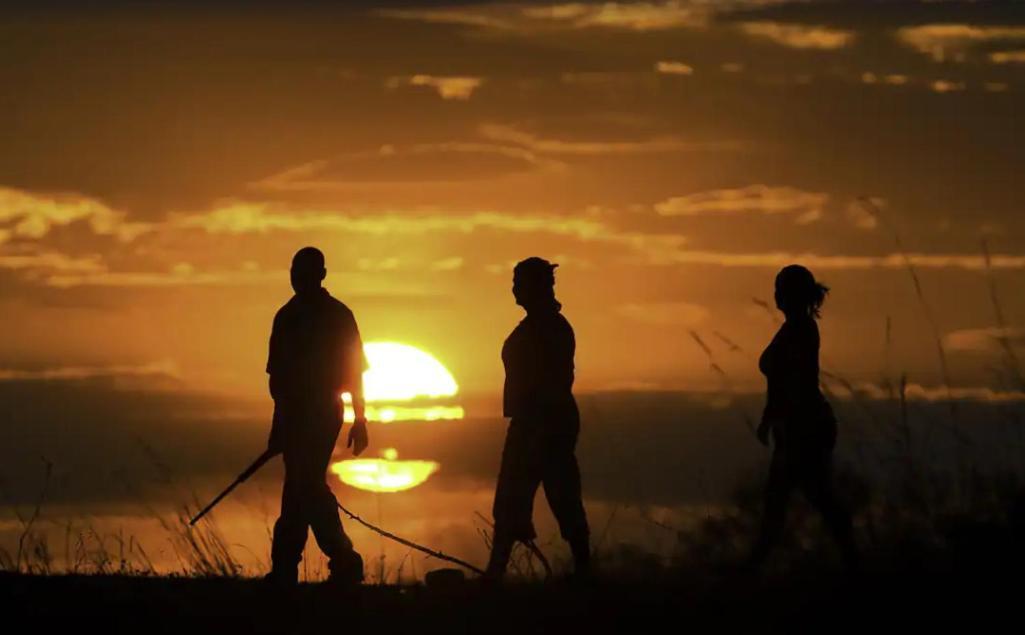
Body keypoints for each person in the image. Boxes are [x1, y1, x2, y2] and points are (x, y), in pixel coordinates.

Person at [264, 246, 370, 585]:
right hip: (294, 414)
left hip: (324, 412)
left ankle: (334, 559)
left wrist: (360, 419)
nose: (298, 278)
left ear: (321, 275)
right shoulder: (286, 316)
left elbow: (355, 373)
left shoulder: (338, 315)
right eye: (295, 271)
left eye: (305, 271)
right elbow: (277, 380)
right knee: (300, 488)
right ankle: (301, 567)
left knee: (303, 484)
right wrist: (279, 426)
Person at [485, 257, 591, 580]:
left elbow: (555, 382)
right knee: (513, 500)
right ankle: (496, 573)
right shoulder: (538, 326)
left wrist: (539, 431)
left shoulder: (553, 329)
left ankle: (583, 570)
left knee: (560, 496)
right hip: (533, 421)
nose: (514, 288)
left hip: (546, 422)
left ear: (536, 287)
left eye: (519, 282)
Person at [748, 264, 858, 571]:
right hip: (795, 427)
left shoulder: (801, 330)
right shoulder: (792, 329)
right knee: (798, 498)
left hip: (806, 427)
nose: (776, 296)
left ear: (792, 295)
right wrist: (769, 418)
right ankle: (854, 563)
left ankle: (751, 569)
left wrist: (783, 422)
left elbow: (796, 381)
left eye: (781, 290)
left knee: (801, 498)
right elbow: (778, 381)